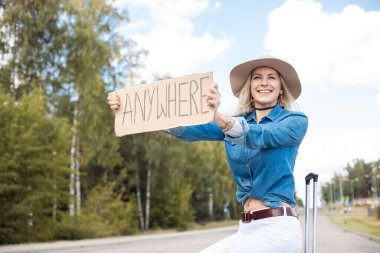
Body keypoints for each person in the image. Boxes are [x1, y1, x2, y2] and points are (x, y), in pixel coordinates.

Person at [107, 55, 308, 253]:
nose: (264, 82)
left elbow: (262, 136)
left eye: (271, 77)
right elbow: (188, 129)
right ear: (250, 87)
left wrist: (218, 117)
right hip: (247, 228)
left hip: (278, 228)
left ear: (281, 87)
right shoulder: (234, 121)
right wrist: (126, 107)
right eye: (257, 77)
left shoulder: (295, 121)